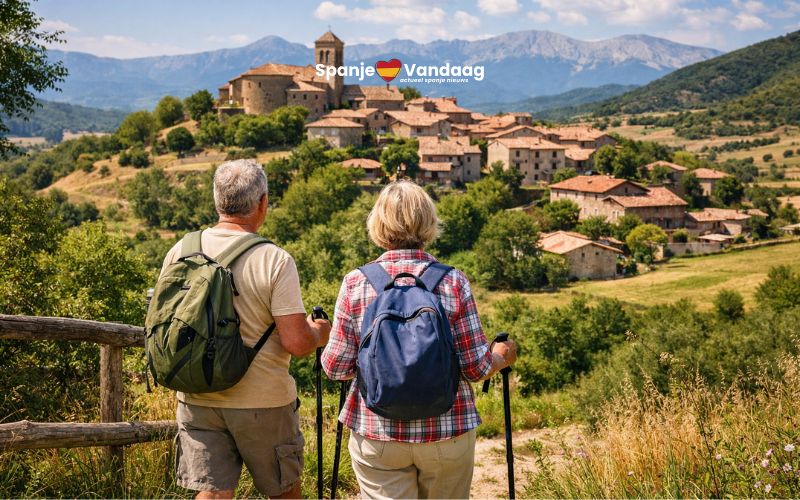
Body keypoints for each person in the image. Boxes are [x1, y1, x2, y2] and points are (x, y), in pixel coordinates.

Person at [321, 180, 517, 499]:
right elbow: (476, 369)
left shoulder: (357, 283)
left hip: (377, 432)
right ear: (429, 221)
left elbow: (335, 368)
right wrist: (502, 354)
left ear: (378, 224)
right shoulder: (453, 281)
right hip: (447, 432)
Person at [159, 159, 331, 499]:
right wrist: (319, 332)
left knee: (212, 492)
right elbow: (297, 343)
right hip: (262, 400)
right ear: (263, 202)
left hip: (197, 395)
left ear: (217, 201)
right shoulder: (274, 259)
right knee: (284, 492)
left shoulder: (181, 250)